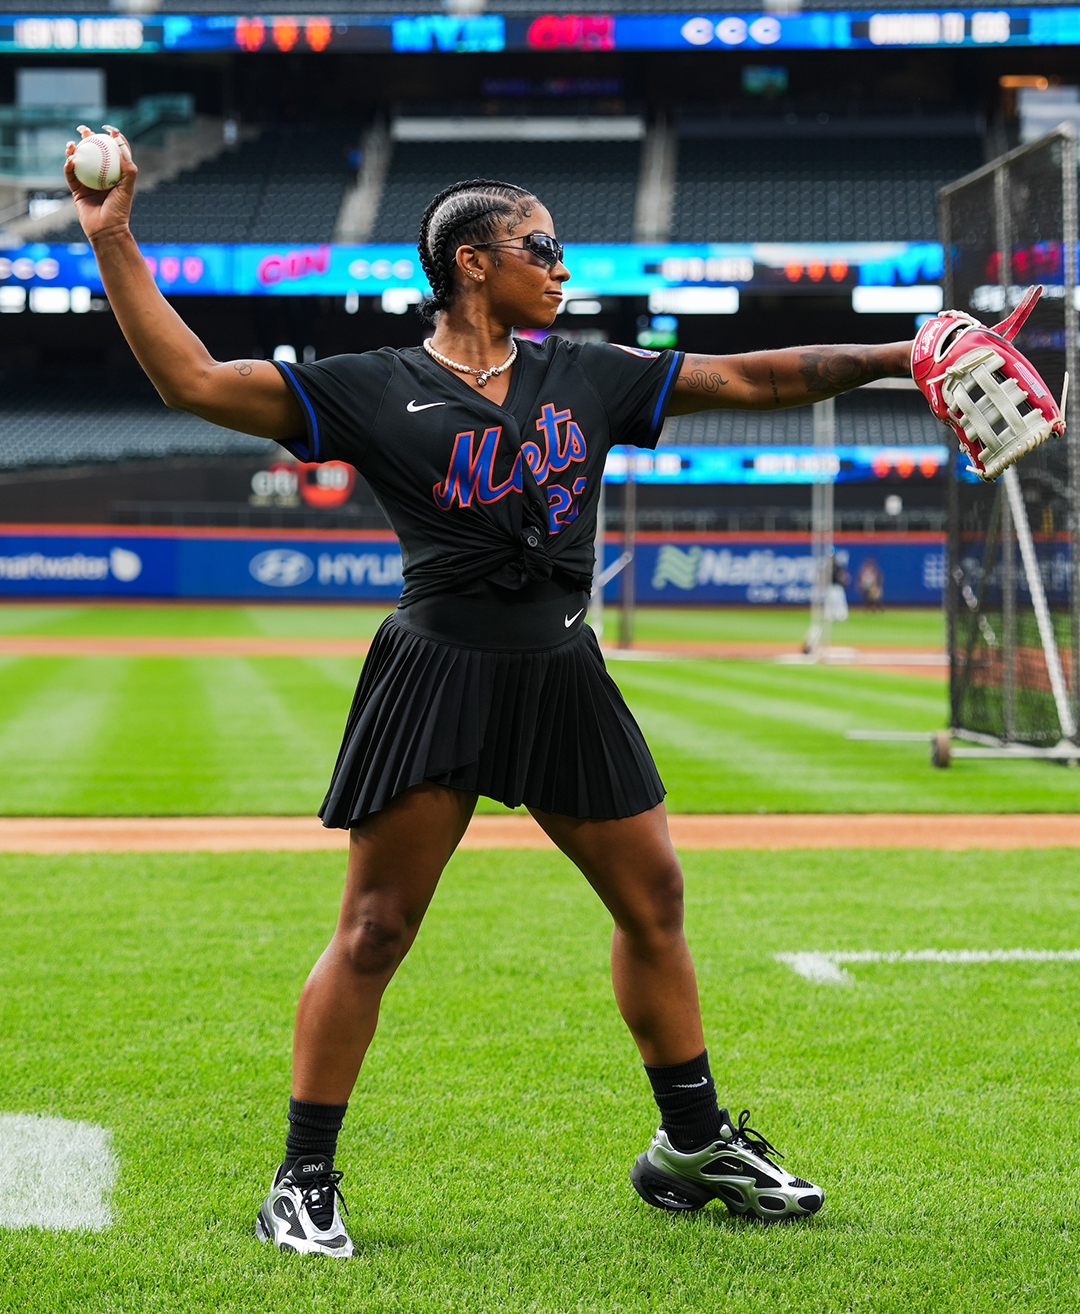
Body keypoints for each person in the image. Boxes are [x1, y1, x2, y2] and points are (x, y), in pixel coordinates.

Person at [66, 127, 914, 1256]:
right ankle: (302, 1179)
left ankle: (693, 1147)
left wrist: (904, 350)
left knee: (654, 903)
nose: (562, 267)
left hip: (563, 671)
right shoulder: (376, 387)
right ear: (474, 262)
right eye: (542, 246)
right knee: (375, 929)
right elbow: (191, 380)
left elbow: (760, 377)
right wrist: (115, 237)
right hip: (439, 675)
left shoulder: (591, 371)